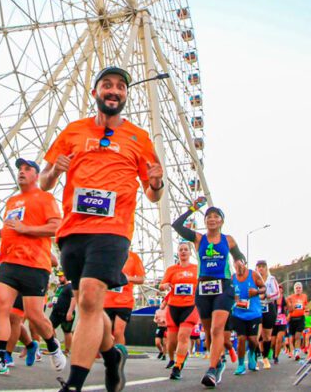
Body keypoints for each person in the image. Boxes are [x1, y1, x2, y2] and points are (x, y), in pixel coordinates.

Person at [40, 66, 165, 392]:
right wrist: (54, 170)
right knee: (88, 306)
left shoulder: (139, 138)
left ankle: (73, 385)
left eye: (121, 87)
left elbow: (153, 195)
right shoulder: (73, 131)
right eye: (107, 85)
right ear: (96, 92)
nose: (114, 91)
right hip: (72, 231)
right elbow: (43, 181)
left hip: (113, 230)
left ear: (125, 95)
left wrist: (156, 181)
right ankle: (111, 356)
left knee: (93, 300)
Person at [0, 159, 67, 375]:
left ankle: (53, 346)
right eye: (20, 169)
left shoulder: (45, 198)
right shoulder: (12, 201)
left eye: (27, 169)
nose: (22, 172)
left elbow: (56, 227)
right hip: (9, 263)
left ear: (37, 175)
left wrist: (26, 228)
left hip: (35, 264)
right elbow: (12, 229)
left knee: (35, 316)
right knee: (1, 306)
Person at [172, 198, 247, 388]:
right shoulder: (198, 239)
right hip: (203, 288)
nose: (212, 219)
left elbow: (239, 256)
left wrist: (239, 262)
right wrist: (193, 208)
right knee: (208, 334)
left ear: (221, 221)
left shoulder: (228, 240)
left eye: (216, 217)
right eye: (209, 217)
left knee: (216, 329)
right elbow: (176, 225)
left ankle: (212, 370)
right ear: (205, 221)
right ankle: (219, 362)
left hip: (224, 286)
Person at [160, 242, 200, 380]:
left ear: (190, 252)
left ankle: (177, 367)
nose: (183, 252)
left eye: (186, 250)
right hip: (173, 307)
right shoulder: (171, 270)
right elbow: (161, 285)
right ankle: (180, 355)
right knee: (172, 342)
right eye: (181, 250)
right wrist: (164, 285)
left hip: (190, 306)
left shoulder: (196, 269)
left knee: (183, 336)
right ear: (178, 252)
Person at [230, 261, 265, 375]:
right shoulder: (232, 278)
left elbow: (264, 288)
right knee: (241, 339)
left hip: (253, 313)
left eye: (240, 265)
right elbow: (228, 293)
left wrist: (256, 291)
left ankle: (252, 354)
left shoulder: (253, 274)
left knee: (253, 340)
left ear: (245, 264)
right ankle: (241, 365)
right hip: (238, 313)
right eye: (236, 266)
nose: (238, 268)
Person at [103, 250, 145, 346]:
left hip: (124, 301)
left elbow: (141, 279)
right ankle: (111, 354)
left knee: (118, 332)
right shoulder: (105, 254)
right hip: (106, 300)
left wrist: (128, 278)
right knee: (105, 332)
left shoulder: (133, 257)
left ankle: (119, 357)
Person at [255, 260, 280, 369]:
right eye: (258, 267)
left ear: (266, 268)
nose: (260, 269)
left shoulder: (271, 279)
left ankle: (265, 358)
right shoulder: (254, 279)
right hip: (256, 308)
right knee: (255, 334)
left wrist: (267, 296)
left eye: (262, 266)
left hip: (269, 307)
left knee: (267, 335)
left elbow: (277, 293)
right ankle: (255, 358)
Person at [49, 270, 77, 355]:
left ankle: (67, 351)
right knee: (49, 327)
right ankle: (55, 347)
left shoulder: (70, 286)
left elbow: (74, 299)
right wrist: (52, 303)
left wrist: (70, 312)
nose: (59, 278)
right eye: (58, 277)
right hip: (55, 312)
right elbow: (57, 296)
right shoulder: (60, 287)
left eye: (61, 276)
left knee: (67, 332)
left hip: (66, 313)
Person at [287, 282, 308, 360]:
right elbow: (289, 309)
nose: (298, 289)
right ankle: (294, 349)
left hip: (300, 318)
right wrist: (293, 306)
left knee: (298, 336)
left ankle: (297, 352)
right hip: (292, 319)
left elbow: (305, 307)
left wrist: (305, 309)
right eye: (296, 288)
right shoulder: (290, 297)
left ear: (301, 289)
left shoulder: (304, 296)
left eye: (299, 288)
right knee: (292, 338)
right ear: (294, 289)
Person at [272, 284, 289, 364]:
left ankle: (276, 356)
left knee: (279, 339)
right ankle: (273, 352)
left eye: (280, 288)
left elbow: (290, 309)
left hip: (282, 321)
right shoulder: (273, 299)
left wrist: (287, 317)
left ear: (282, 290)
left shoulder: (285, 299)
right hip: (274, 321)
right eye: (278, 288)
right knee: (272, 342)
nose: (279, 290)